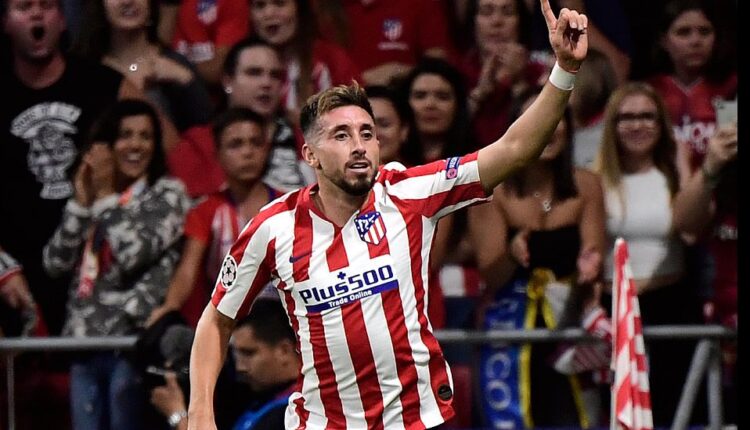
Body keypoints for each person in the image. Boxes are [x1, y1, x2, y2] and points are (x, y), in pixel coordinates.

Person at [188, 1, 588, 428]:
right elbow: (216, 318)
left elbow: (513, 149)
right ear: (310, 155)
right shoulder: (274, 227)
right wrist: (200, 413)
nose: (359, 145)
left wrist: (563, 70)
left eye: (367, 134)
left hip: (416, 421)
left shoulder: (409, 192)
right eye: (341, 136)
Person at [42, 99, 191, 430]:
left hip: (130, 345)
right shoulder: (95, 196)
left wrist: (107, 197)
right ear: (107, 144)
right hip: (83, 344)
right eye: (125, 135)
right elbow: (54, 263)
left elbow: (132, 255)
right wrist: (82, 204)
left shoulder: (166, 194)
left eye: (145, 136)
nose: (136, 145)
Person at [468, 87, 606, 428]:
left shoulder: (587, 185)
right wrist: (513, 255)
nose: (550, 129)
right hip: (509, 331)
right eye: (538, 120)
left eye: (557, 120)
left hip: (570, 328)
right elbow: (493, 275)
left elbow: (593, 254)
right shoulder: (490, 189)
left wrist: (592, 268)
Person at [0, 0, 140, 337]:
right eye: (24, 7)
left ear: (62, 21)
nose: (36, 14)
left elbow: (165, 161)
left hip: (96, 263)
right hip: (15, 265)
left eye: (46, 6)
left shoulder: (106, 85)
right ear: (5, 23)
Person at [593, 82, 706, 427]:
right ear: (611, 126)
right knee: (617, 413)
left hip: (670, 303)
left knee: (674, 412)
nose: (637, 125)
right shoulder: (593, 177)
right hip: (612, 308)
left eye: (647, 116)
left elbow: (691, 230)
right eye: (626, 117)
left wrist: (684, 163)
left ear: (661, 125)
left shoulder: (674, 173)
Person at [148, 107, 282, 327]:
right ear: (218, 155)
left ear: (267, 150)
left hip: (285, 324)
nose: (248, 152)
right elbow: (187, 270)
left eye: (255, 143)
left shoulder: (292, 205)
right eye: (236, 144)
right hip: (230, 325)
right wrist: (170, 306)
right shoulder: (206, 210)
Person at [168, 37, 314, 198]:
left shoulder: (306, 138)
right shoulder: (197, 144)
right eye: (254, 73)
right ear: (228, 81)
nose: (266, 83)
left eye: (275, 75)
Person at [72, 0, 214, 133]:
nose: (128, 1)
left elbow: (207, 135)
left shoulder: (176, 66)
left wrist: (187, 81)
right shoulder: (84, 68)